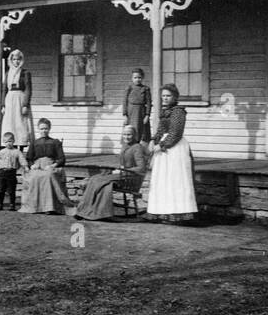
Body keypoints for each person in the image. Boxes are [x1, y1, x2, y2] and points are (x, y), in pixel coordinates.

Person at [74, 125, 150, 221]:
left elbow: (141, 168)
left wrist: (125, 170)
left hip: (130, 179)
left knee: (100, 181)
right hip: (123, 175)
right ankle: (84, 210)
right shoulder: (125, 146)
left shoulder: (137, 147)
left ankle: (97, 212)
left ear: (134, 135)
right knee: (94, 179)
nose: (126, 137)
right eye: (124, 134)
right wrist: (120, 168)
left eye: (129, 135)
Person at [146, 83, 198, 221]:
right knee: (163, 179)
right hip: (163, 147)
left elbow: (176, 133)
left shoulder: (178, 112)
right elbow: (161, 130)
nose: (165, 98)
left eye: (168, 96)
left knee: (175, 179)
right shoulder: (165, 111)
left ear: (175, 97)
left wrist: (162, 145)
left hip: (175, 148)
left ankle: (178, 213)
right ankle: (163, 211)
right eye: (163, 96)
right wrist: (153, 140)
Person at [21, 118, 68, 214]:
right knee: (35, 177)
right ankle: (35, 207)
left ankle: (49, 207)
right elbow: (29, 158)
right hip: (37, 166)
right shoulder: (34, 143)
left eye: (46, 128)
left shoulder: (55, 142)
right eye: (42, 129)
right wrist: (32, 165)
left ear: (49, 129)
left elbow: (62, 159)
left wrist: (53, 165)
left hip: (50, 165)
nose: (44, 131)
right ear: (38, 129)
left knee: (48, 176)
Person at [1, 49, 33, 149]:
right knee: (10, 123)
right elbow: (4, 90)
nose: (16, 62)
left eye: (18, 59)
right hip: (10, 99)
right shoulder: (8, 73)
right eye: (14, 59)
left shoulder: (25, 73)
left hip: (20, 99)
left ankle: (21, 147)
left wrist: (25, 105)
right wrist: (3, 105)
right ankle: (11, 147)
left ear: (21, 60)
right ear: (11, 60)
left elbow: (28, 89)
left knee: (20, 122)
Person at [0, 132, 28, 210]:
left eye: (10, 141)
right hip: (2, 172)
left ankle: (12, 205)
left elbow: (22, 159)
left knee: (11, 190)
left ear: (13, 141)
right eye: (6, 142)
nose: (8, 143)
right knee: (1, 189)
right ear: (3, 142)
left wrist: (25, 166)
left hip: (11, 172)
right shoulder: (1, 152)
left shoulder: (17, 151)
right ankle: (0, 204)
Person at [122, 68, 152, 144]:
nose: (137, 79)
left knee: (142, 132)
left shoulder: (145, 89)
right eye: (135, 78)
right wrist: (125, 115)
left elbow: (149, 103)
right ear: (132, 78)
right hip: (131, 113)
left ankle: (140, 148)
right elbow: (125, 102)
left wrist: (147, 115)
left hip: (141, 113)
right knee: (130, 131)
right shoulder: (129, 88)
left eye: (139, 77)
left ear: (142, 78)